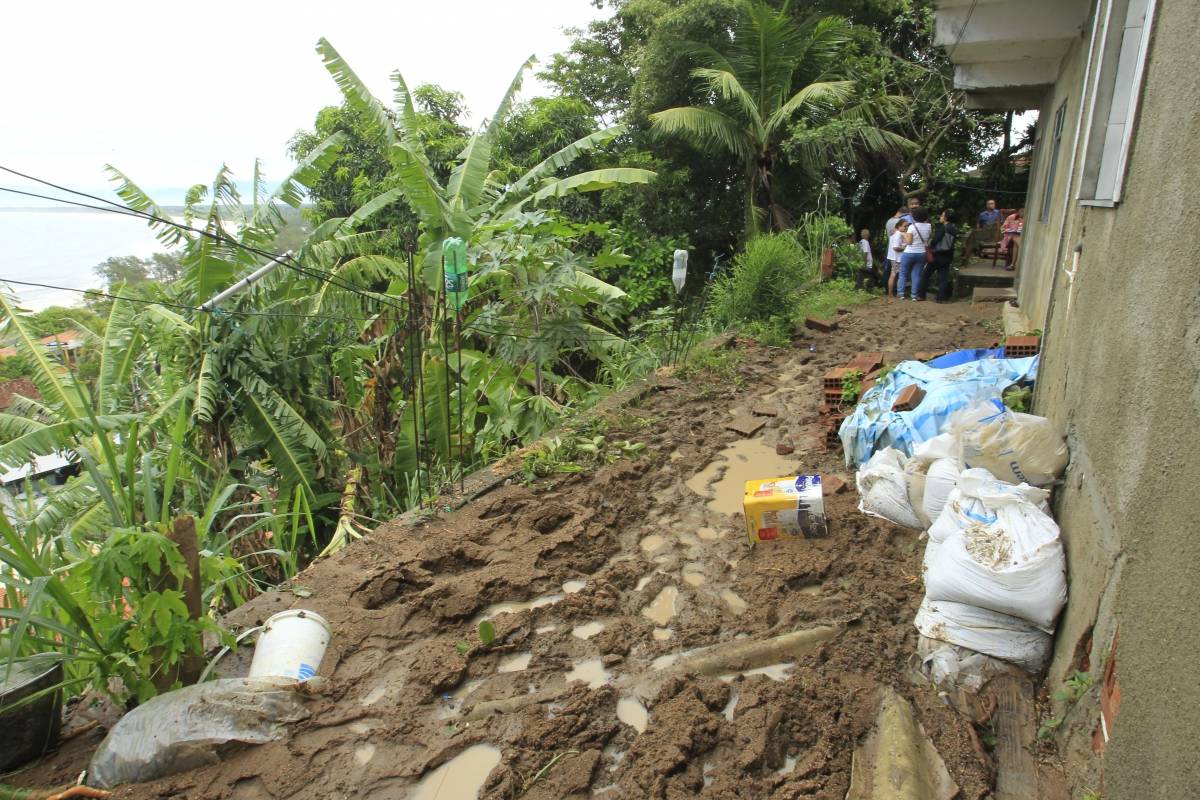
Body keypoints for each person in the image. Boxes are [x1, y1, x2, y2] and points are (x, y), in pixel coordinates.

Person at [921, 210, 959, 302]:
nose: (940, 217)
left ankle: (921, 295)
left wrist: (930, 245)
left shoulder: (943, 228)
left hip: (937, 255)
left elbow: (935, 240)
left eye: (942, 215)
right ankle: (940, 298)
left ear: (946, 218)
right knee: (943, 278)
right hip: (947, 256)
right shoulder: (953, 228)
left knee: (925, 275)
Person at [898, 207, 932, 301]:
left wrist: (904, 235)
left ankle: (901, 294)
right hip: (921, 253)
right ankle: (914, 295)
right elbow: (928, 239)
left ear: (914, 216)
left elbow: (909, 242)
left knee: (903, 273)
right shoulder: (929, 226)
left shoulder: (912, 227)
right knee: (916, 275)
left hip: (909, 252)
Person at [959, 198, 1003, 265]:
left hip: (995, 233)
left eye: (994, 203)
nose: (993, 205)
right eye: (991, 204)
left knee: (972, 236)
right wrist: (979, 229)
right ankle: (965, 255)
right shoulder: (982, 214)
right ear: (987, 205)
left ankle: (966, 252)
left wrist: (997, 225)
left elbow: (1003, 223)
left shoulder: (998, 213)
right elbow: (978, 225)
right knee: (972, 236)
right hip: (985, 233)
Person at [886, 219, 908, 300]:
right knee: (895, 275)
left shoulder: (895, 233)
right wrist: (905, 248)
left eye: (907, 226)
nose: (906, 227)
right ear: (899, 226)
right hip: (897, 258)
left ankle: (892, 293)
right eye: (904, 226)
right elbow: (895, 247)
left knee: (894, 274)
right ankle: (893, 293)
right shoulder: (898, 234)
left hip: (893, 257)